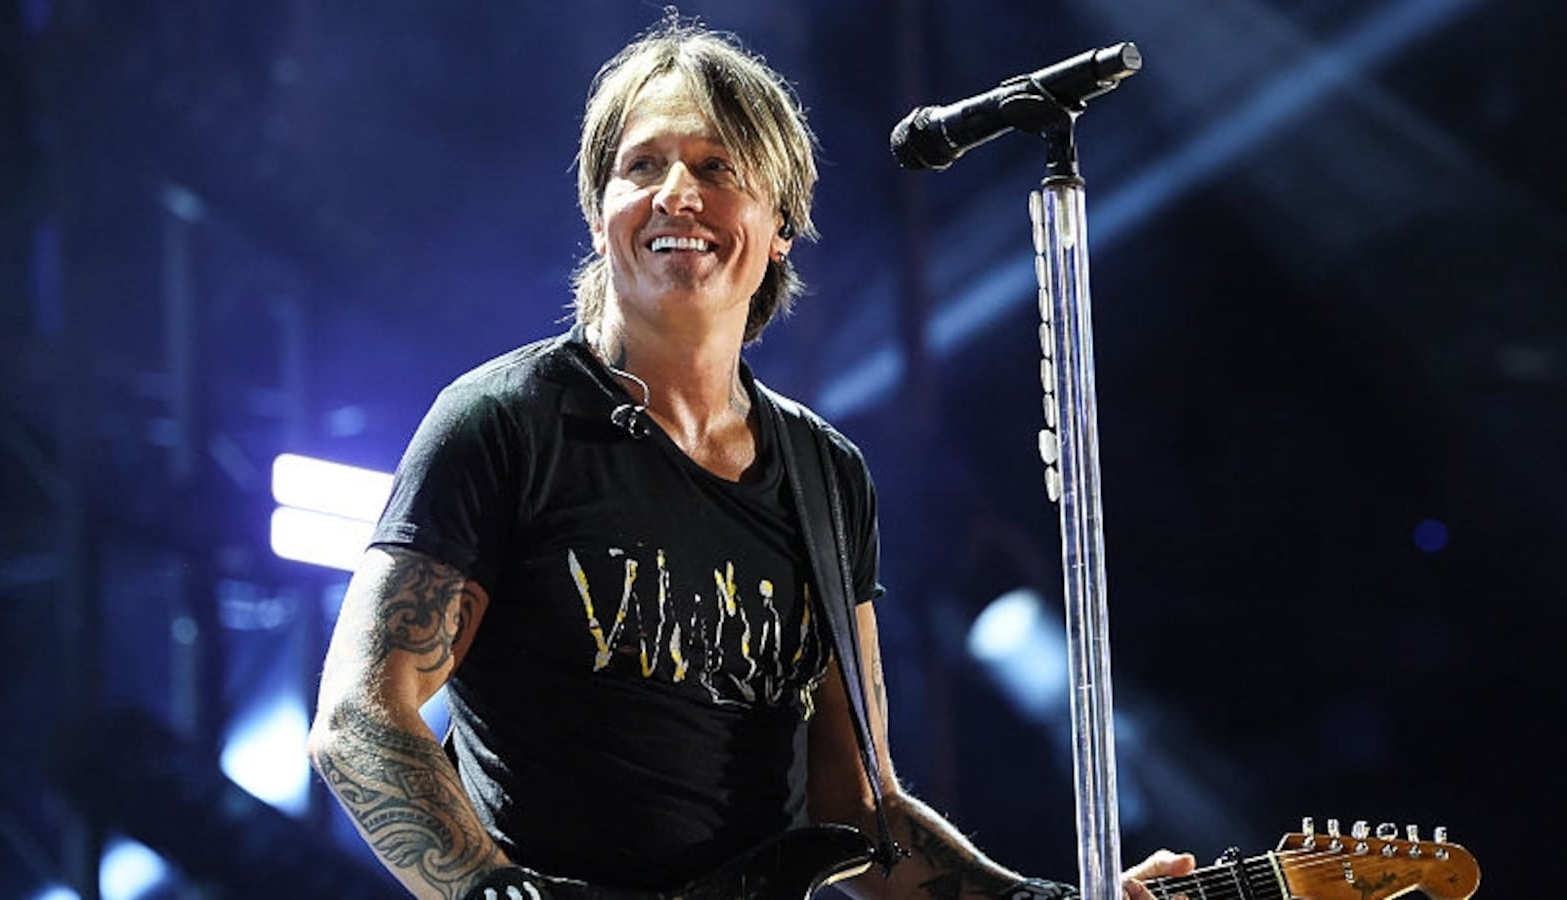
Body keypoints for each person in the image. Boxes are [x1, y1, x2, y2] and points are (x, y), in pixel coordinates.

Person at [308, 17, 1194, 900]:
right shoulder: (503, 422)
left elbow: (857, 810)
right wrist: (490, 891)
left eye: (716, 167)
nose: (676, 195)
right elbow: (357, 718)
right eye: (642, 166)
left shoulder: (825, 477)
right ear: (599, 211)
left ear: (780, 227)